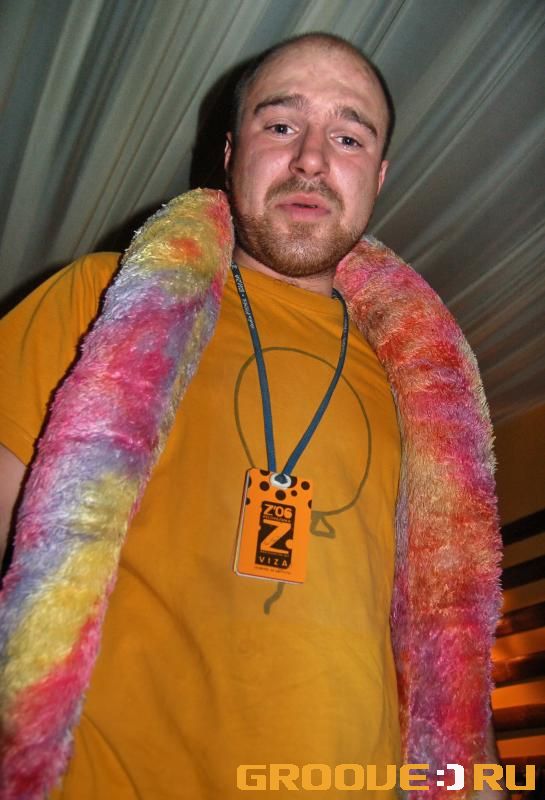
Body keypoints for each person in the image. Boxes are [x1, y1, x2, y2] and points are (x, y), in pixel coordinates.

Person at [0, 33, 503, 800]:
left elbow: (450, 655)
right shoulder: (101, 302)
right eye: (280, 124)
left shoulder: (430, 402)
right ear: (231, 153)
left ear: (378, 175)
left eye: (347, 137)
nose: (310, 160)